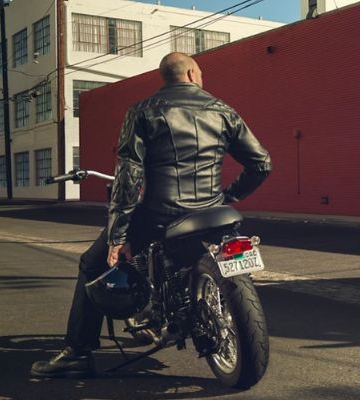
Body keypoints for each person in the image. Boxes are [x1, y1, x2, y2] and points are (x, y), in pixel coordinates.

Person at [30, 53, 272, 378]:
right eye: (200, 74)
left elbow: (129, 175)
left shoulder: (144, 110)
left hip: (161, 215)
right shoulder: (223, 110)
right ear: (190, 73)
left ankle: (77, 352)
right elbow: (261, 164)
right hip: (215, 213)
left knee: (92, 263)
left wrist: (118, 236)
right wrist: (230, 196)